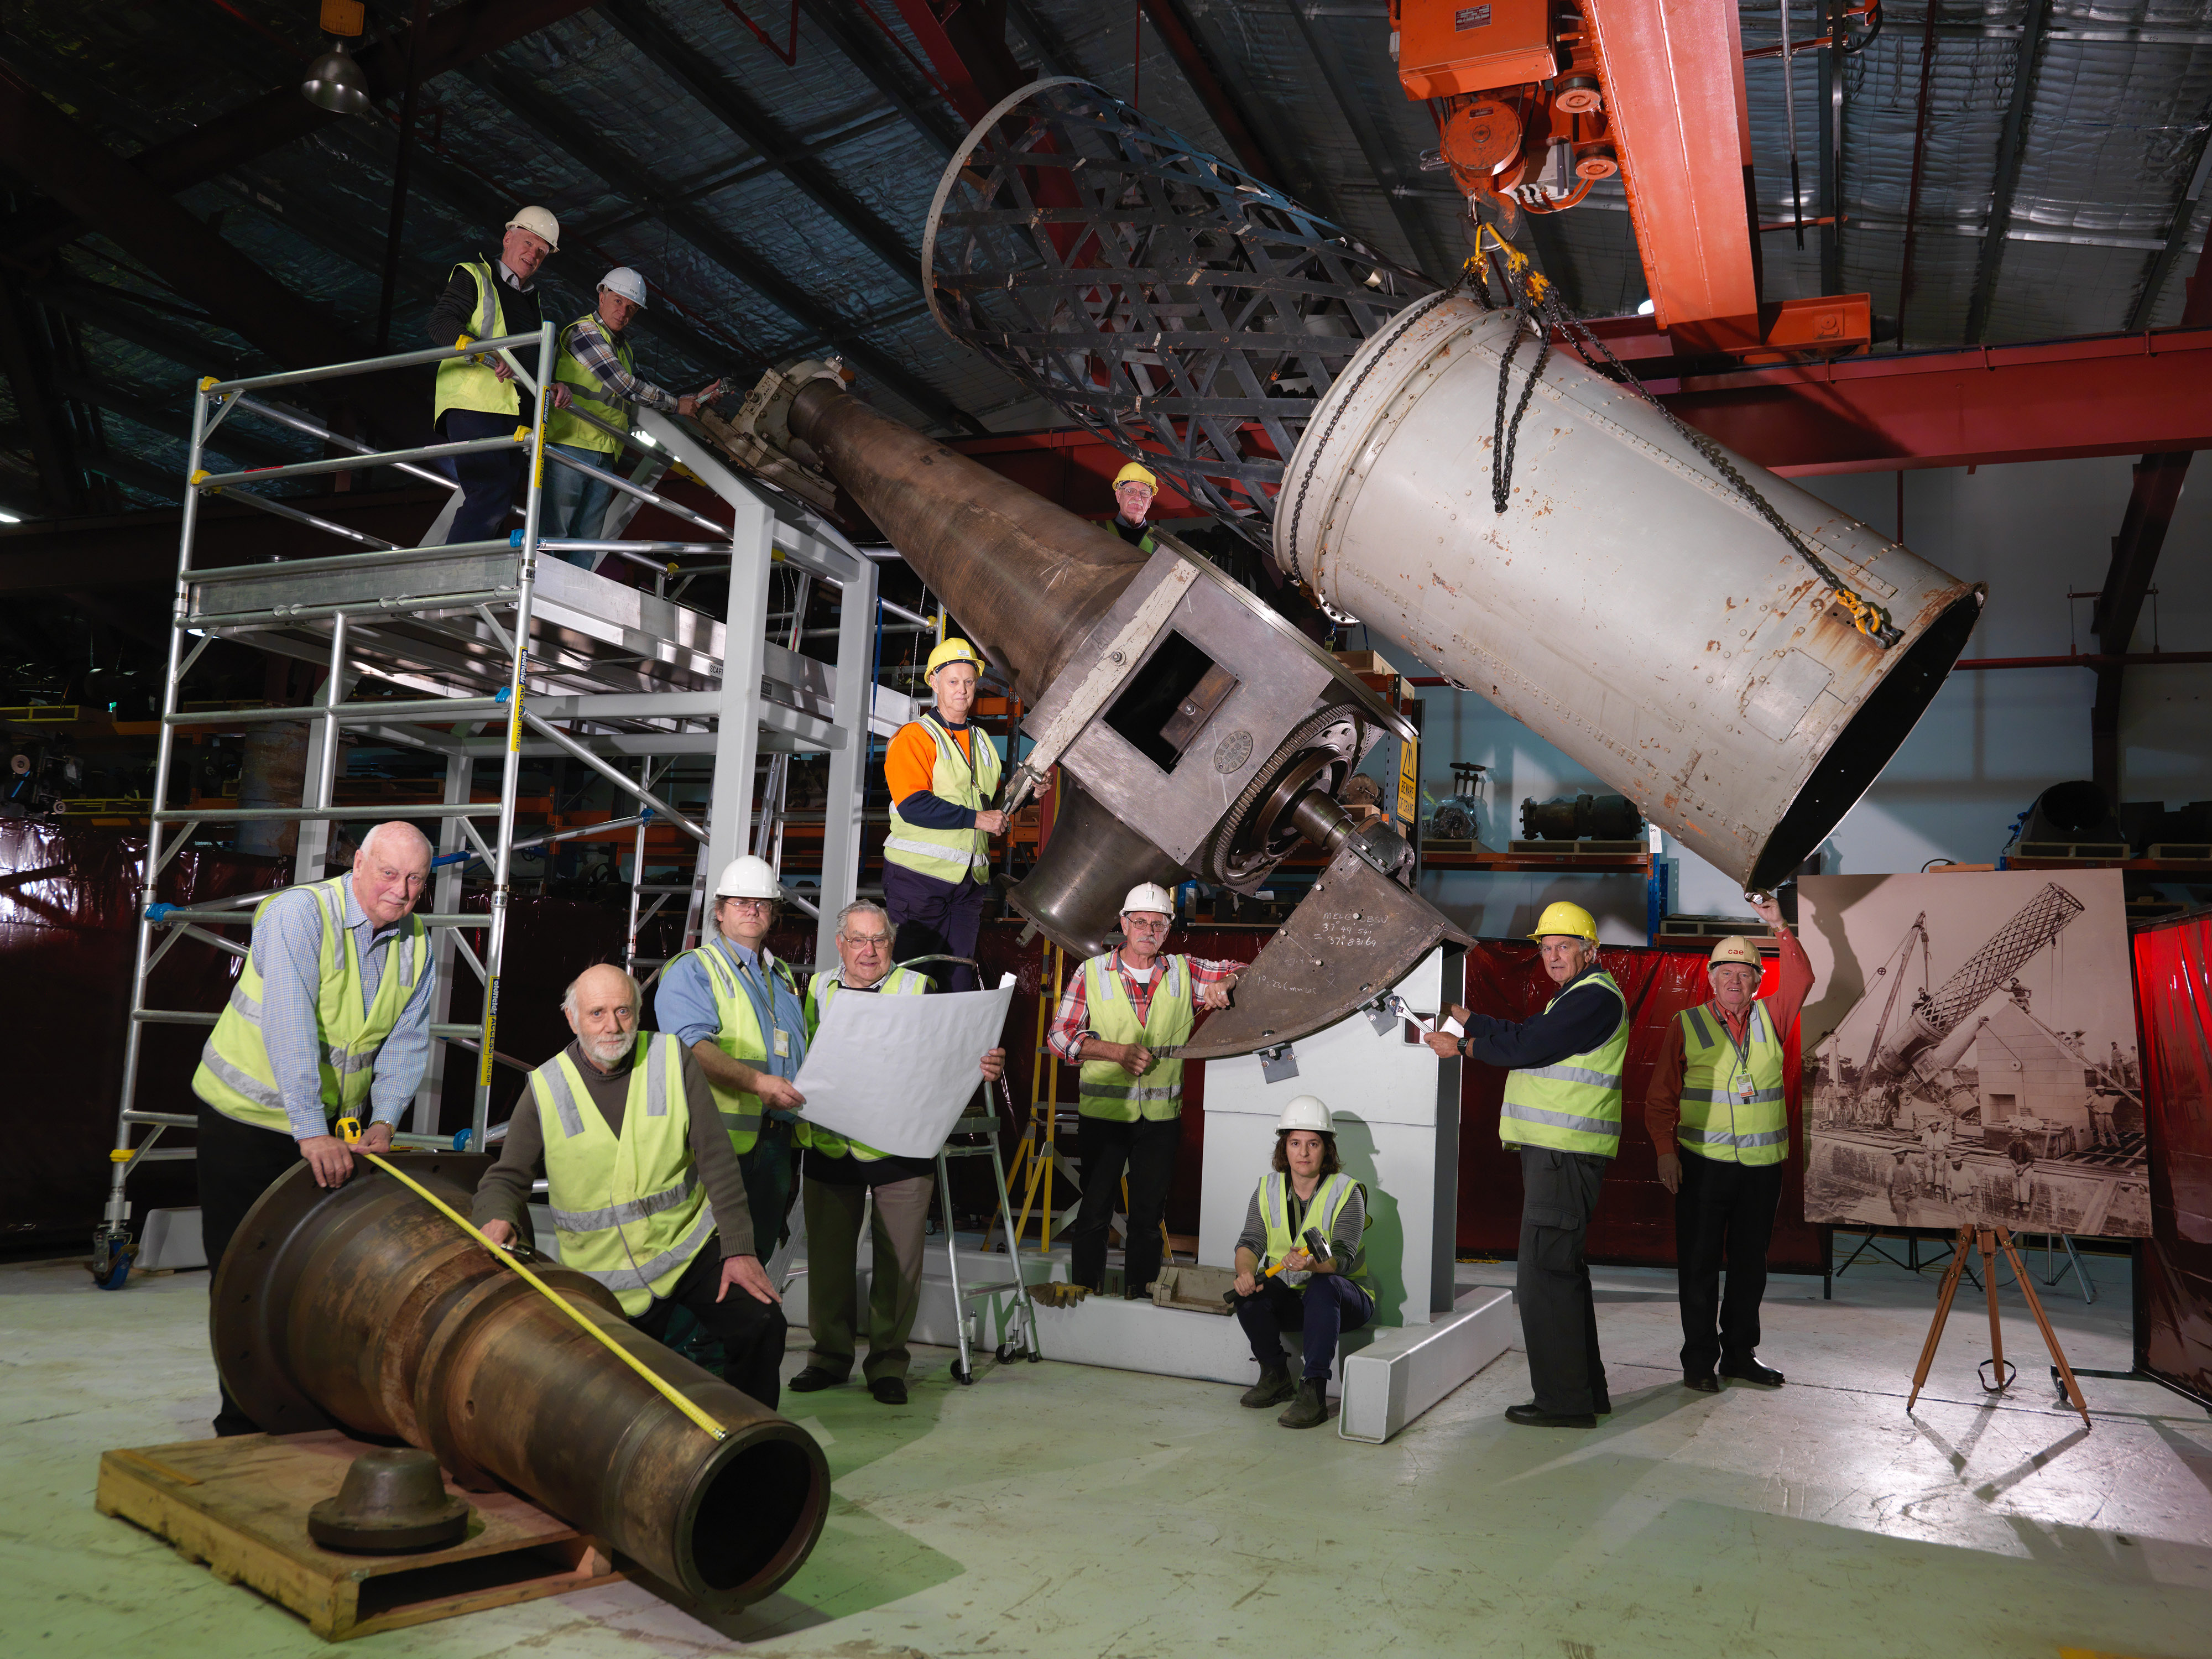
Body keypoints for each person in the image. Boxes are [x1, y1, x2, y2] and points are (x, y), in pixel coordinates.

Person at [191, 821, 436, 1434]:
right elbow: (290, 1029)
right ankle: (242, 1421)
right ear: (358, 863)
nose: (400, 891)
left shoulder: (416, 943)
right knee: (243, 1278)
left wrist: (383, 1121)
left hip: (329, 1129)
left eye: (414, 880)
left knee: (321, 1276)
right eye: (388, 873)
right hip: (246, 1119)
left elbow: (407, 1043)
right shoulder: (299, 915)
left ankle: (306, 1409)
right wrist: (311, 1130)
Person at [473, 965, 786, 1409]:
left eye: (623, 1011)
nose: (612, 1026)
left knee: (761, 1322)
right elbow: (507, 1176)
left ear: (639, 1012)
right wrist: (497, 1216)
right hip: (604, 1278)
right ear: (572, 1018)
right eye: (597, 1013)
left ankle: (748, 1443)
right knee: (608, 1405)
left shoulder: (673, 1058)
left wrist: (739, 1249)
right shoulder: (546, 1087)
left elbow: (716, 1157)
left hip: (688, 1251)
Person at [787, 900, 1006, 1405]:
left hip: (900, 1145)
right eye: (858, 940)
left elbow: (947, 1054)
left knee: (900, 1265)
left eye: (879, 941)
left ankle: (887, 1365)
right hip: (831, 1144)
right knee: (828, 1262)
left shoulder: (917, 988)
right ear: (840, 944)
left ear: (892, 944)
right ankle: (829, 1358)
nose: (869, 951)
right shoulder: (817, 989)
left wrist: (982, 1064)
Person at [1424, 900, 1626, 1428]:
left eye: (1564, 947)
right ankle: (1586, 1394)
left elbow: (1531, 1045)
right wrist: (1472, 1018)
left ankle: (1563, 1403)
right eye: (1546, 948)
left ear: (1589, 951)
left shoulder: (1593, 999)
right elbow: (1529, 1034)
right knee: (1563, 1276)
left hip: (1563, 1158)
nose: (1554, 956)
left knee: (1545, 1281)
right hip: (1560, 1156)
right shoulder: (1578, 998)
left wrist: (1463, 1044)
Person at [1644, 894, 1811, 1394]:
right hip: (1702, 1165)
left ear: (1759, 982)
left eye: (1744, 975)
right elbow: (1660, 1097)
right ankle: (1698, 1362)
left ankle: (1739, 1355)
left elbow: (1802, 977)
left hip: (1761, 1169)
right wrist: (1665, 1151)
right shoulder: (1686, 1025)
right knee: (1697, 1266)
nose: (1733, 982)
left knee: (1748, 1266)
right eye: (1724, 974)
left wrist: (1779, 924)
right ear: (1710, 978)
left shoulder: (1772, 1018)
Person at [1047, 883, 1241, 1298]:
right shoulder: (1092, 972)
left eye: (1158, 923)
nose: (1148, 930)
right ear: (1123, 924)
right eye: (1140, 922)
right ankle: (1085, 1293)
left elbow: (1243, 970)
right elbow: (1059, 1037)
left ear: (1168, 930)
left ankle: (1140, 1296)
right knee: (1095, 1212)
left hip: (1160, 1120)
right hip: (1104, 1118)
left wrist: (1225, 983)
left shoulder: (1185, 972)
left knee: (1148, 1217)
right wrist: (1113, 1051)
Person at [657, 855, 810, 1255]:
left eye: (761, 904)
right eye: (741, 903)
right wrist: (759, 1083)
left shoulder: (782, 976)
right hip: (715, 1144)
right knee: (706, 1261)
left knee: (754, 1259)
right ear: (720, 913)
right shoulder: (694, 970)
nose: (753, 911)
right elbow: (692, 1047)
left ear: (773, 915)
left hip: (775, 1144)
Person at [542, 266, 723, 559]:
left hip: (604, 451)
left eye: (632, 308)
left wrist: (689, 399)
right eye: (618, 301)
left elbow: (644, 388)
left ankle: (567, 597)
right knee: (556, 532)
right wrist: (677, 405)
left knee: (588, 541)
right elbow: (625, 385)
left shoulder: (622, 349)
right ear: (601, 295)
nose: (624, 312)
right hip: (570, 445)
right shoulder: (585, 332)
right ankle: (539, 598)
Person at [1230, 1095, 1376, 1430]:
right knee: (1248, 1295)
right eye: (1295, 1143)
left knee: (1323, 1287)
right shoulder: (1267, 1188)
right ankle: (1276, 1375)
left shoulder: (1347, 1190)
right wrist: (1245, 1274)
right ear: (1285, 1147)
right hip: (1295, 1297)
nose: (1304, 1153)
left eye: (1313, 1143)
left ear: (1327, 1149)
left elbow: (1342, 1257)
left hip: (1344, 1300)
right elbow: (1251, 1241)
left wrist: (1311, 1266)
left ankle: (1313, 1390)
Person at [427, 206, 561, 547]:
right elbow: (441, 325)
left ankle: (475, 586)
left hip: (511, 411)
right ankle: (454, 583)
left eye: (541, 253)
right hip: (474, 404)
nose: (532, 255)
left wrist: (551, 382)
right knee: (490, 490)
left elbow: (530, 359)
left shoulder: (532, 301)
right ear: (508, 237)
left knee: (499, 500)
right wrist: (490, 354)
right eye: (529, 243)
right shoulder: (474, 276)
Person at [881, 637, 1006, 993]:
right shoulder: (915, 737)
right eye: (953, 681)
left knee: (957, 978)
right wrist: (976, 819)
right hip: (918, 879)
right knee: (913, 978)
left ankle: (951, 1049)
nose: (962, 690)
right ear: (934, 683)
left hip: (968, 885)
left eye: (969, 681)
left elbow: (989, 802)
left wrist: (1027, 795)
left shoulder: (982, 739)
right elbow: (913, 804)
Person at [1106, 459, 1159, 550]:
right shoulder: (1093, 529)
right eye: (1130, 491)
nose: (1138, 498)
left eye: (1144, 493)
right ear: (1118, 496)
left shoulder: (1160, 543)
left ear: (1150, 502)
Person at [1887, 1147, 1917, 1228]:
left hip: (1911, 1198)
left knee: (1917, 1221)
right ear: (1895, 1156)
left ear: (1905, 1156)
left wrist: (1916, 1194)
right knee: (1901, 1223)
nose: (1900, 1157)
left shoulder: (1911, 1167)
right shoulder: (1891, 1169)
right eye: (1898, 1155)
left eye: (1902, 1155)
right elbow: (1889, 1188)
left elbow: (1918, 1182)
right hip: (1899, 1198)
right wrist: (1892, 1204)